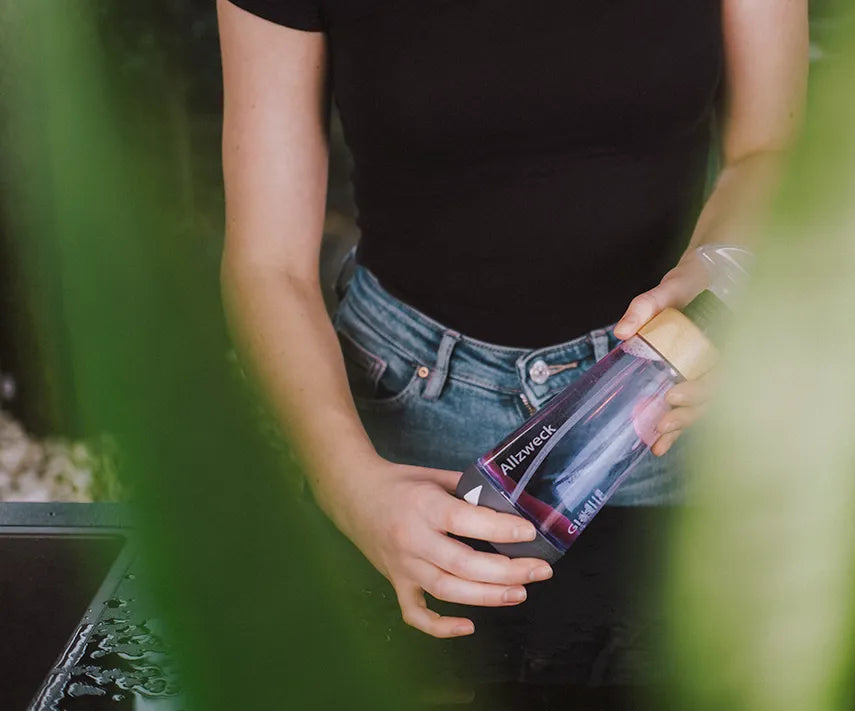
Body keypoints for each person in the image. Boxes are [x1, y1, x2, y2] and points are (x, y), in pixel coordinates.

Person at [217, 0, 807, 639]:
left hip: (658, 396)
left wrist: (720, 286)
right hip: (400, 415)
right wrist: (347, 482)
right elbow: (267, 264)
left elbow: (768, 149)